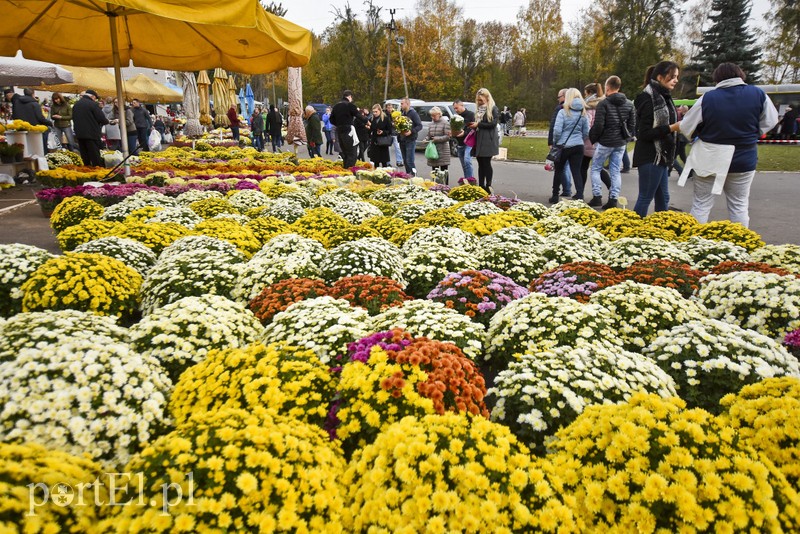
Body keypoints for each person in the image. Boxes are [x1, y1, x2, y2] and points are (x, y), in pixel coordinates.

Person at [679, 62, 779, 228]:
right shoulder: (758, 94)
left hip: (710, 159)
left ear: (717, 78)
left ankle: (693, 244)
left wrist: (696, 135)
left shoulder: (708, 98)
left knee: (701, 205)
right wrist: (752, 133)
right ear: (740, 75)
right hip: (743, 159)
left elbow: (686, 126)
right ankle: (740, 246)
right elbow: (771, 120)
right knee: (739, 206)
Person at [632, 61, 681, 217]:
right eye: (672, 77)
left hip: (662, 155)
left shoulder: (664, 96)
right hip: (650, 156)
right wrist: (672, 128)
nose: (676, 80)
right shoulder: (647, 98)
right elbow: (644, 133)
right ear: (660, 77)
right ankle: (632, 233)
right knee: (645, 197)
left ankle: (660, 233)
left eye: (677, 77)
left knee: (663, 198)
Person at [589, 76, 635, 209]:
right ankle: (613, 198)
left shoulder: (604, 104)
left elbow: (598, 125)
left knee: (596, 168)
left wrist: (594, 138)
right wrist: (626, 138)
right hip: (620, 142)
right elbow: (632, 125)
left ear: (607, 87)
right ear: (619, 87)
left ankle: (597, 196)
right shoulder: (629, 104)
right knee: (615, 170)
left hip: (605, 141)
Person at [550, 88, 590, 204]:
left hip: (563, 145)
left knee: (559, 170)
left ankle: (555, 195)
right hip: (578, 145)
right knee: (576, 171)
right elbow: (586, 131)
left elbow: (557, 130)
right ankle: (580, 194)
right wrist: (579, 139)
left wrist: (556, 142)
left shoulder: (563, 111)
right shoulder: (583, 112)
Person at [470, 87, 500, 194]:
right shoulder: (478, 109)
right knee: (480, 162)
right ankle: (481, 185)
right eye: (478, 100)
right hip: (479, 138)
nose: (479, 102)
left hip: (488, 139)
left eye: (481, 100)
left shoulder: (493, 108)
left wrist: (479, 124)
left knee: (486, 162)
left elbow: (493, 124)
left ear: (487, 98)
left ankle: (488, 185)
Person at [72, 89, 109, 167]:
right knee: (94, 155)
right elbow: (101, 118)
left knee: (85, 155)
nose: (95, 100)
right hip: (91, 134)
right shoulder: (93, 104)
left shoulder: (76, 104)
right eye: (95, 98)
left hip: (79, 134)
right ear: (92, 96)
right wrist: (108, 121)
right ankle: (98, 173)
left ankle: (87, 171)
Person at [580, 82, 604, 201]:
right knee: (597, 167)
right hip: (598, 140)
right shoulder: (602, 104)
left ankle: (580, 192)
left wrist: (585, 136)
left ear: (589, 93)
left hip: (589, 140)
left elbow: (588, 124)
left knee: (584, 167)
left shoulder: (589, 106)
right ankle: (612, 190)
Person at [548, 89, 572, 196]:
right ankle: (567, 188)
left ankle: (566, 189)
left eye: (559, 97)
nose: (558, 99)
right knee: (567, 166)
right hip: (573, 142)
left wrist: (551, 141)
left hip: (561, 142)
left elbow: (554, 127)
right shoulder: (575, 108)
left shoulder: (560, 109)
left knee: (561, 166)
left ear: (564, 96)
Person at [424, 106, 452, 183]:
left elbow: (448, 137)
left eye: (434, 115)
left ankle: (445, 186)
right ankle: (435, 185)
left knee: (444, 170)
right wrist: (426, 139)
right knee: (434, 170)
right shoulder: (431, 124)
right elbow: (429, 135)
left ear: (439, 114)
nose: (433, 117)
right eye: (431, 115)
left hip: (443, 150)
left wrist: (436, 139)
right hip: (433, 150)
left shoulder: (445, 123)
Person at [398, 97, 423, 175]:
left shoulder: (413, 113)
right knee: (405, 160)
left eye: (402, 103)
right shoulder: (402, 113)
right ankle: (408, 176)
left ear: (407, 104)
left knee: (409, 160)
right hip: (402, 140)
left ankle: (413, 176)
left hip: (410, 140)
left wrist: (411, 131)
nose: (401, 105)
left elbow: (419, 125)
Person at [453, 99, 475, 179]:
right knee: (463, 164)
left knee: (467, 160)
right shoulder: (455, 117)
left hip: (469, 142)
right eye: (454, 108)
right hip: (460, 143)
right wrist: (452, 133)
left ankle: (470, 180)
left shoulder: (471, 115)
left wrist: (464, 133)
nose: (455, 110)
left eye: (457, 108)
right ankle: (466, 180)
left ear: (462, 106)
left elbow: (472, 129)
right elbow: (454, 129)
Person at [368, 103, 393, 167]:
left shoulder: (385, 118)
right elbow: (370, 130)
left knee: (384, 162)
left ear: (380, 110)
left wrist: (383, 132)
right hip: (375, 141)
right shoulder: (371, 119)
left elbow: (390, 130)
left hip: (383, 142)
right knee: (375, 161)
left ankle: (384, 174)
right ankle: (376, 175)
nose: (374, 113)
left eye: (376, 112)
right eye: (373, 112)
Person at [384, 102, 403, 167]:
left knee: (397, 148)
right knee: (388, 149)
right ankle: (387, 162)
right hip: (388, 133)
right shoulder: (384, 114)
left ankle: (399, 161)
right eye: (388, 108)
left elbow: (398, 121)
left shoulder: (395, 113)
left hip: (394, 133)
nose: (389, 109)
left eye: (391, 107)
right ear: (386, 108)